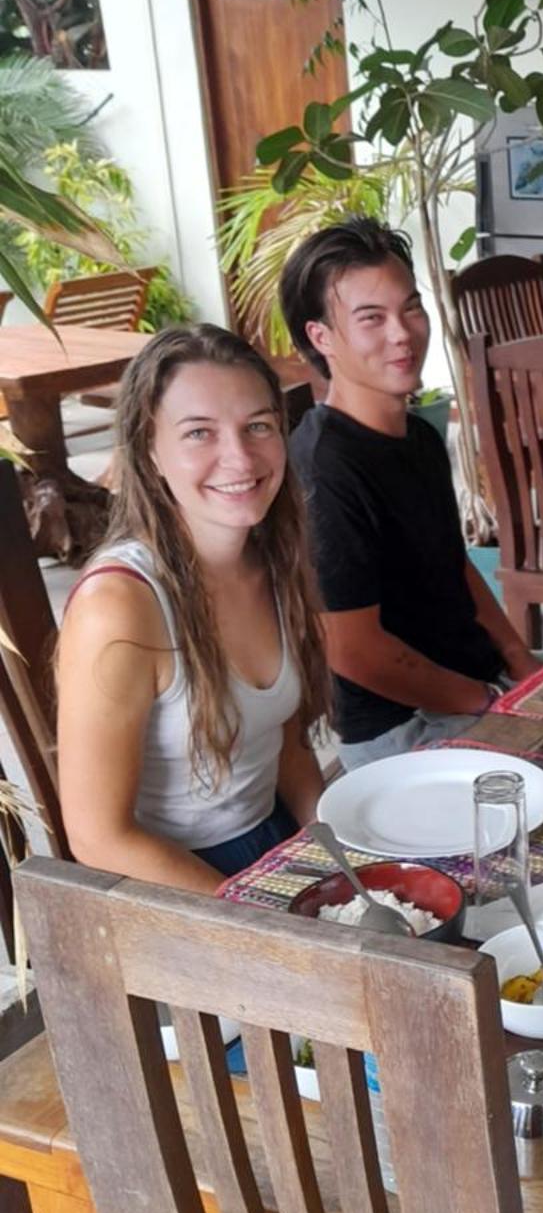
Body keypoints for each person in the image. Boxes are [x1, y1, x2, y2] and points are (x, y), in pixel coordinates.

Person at [56, 326, 328, 889]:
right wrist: (255, 918)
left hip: (272, 845)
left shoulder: (273, 558)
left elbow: (287, 744)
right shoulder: (119, 605)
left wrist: (336, 854)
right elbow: (98, 838)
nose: (240, 457)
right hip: (172, 886)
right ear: (149, 449)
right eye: (199, 433)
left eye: (258, 426)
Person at [282, 219, 535, 769]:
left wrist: (518, 659)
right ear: (321, 337)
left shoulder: (417, 434)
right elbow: (352, 649)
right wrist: (488, 703)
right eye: (371, 319)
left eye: (411, 309)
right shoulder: (326, 468)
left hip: (471, 684)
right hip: (405, 727)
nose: (402, 333)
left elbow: (452, 562)